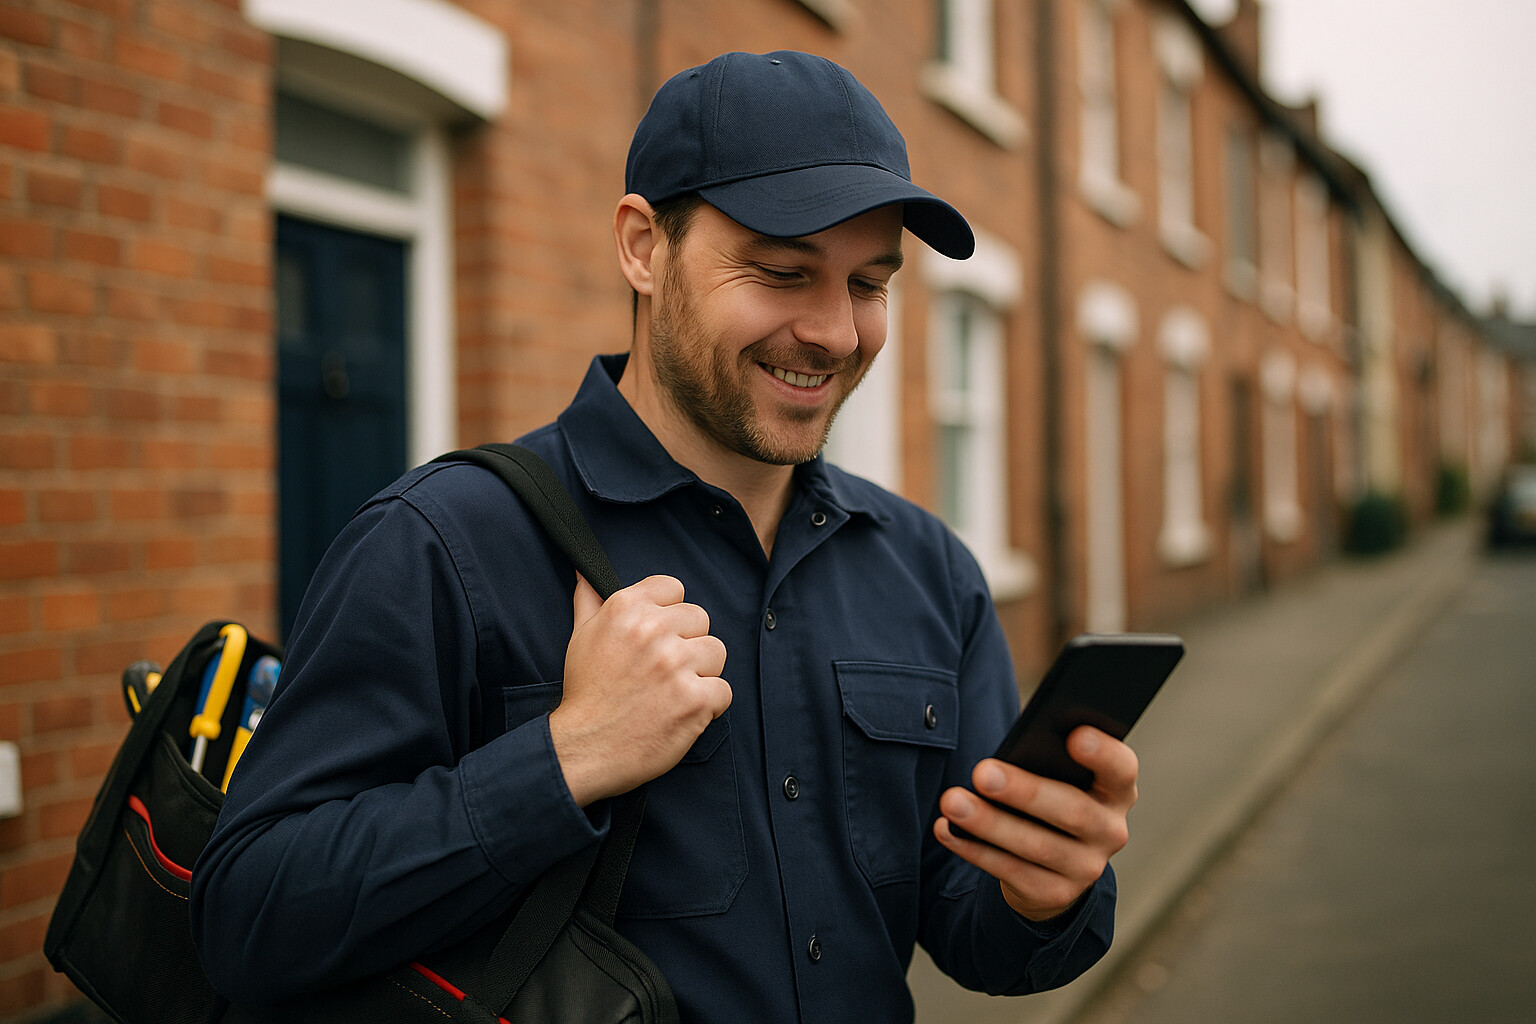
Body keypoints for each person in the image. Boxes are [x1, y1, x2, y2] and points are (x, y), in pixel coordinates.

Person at [191, 50, 1137, 1021]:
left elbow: (971, 928)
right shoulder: (441, 542)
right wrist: (565, 759)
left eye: (868, 284)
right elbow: (247, 917)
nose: (836, 332)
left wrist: (1042, 890)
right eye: (781, 271)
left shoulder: (931, 571)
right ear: (643, 247)